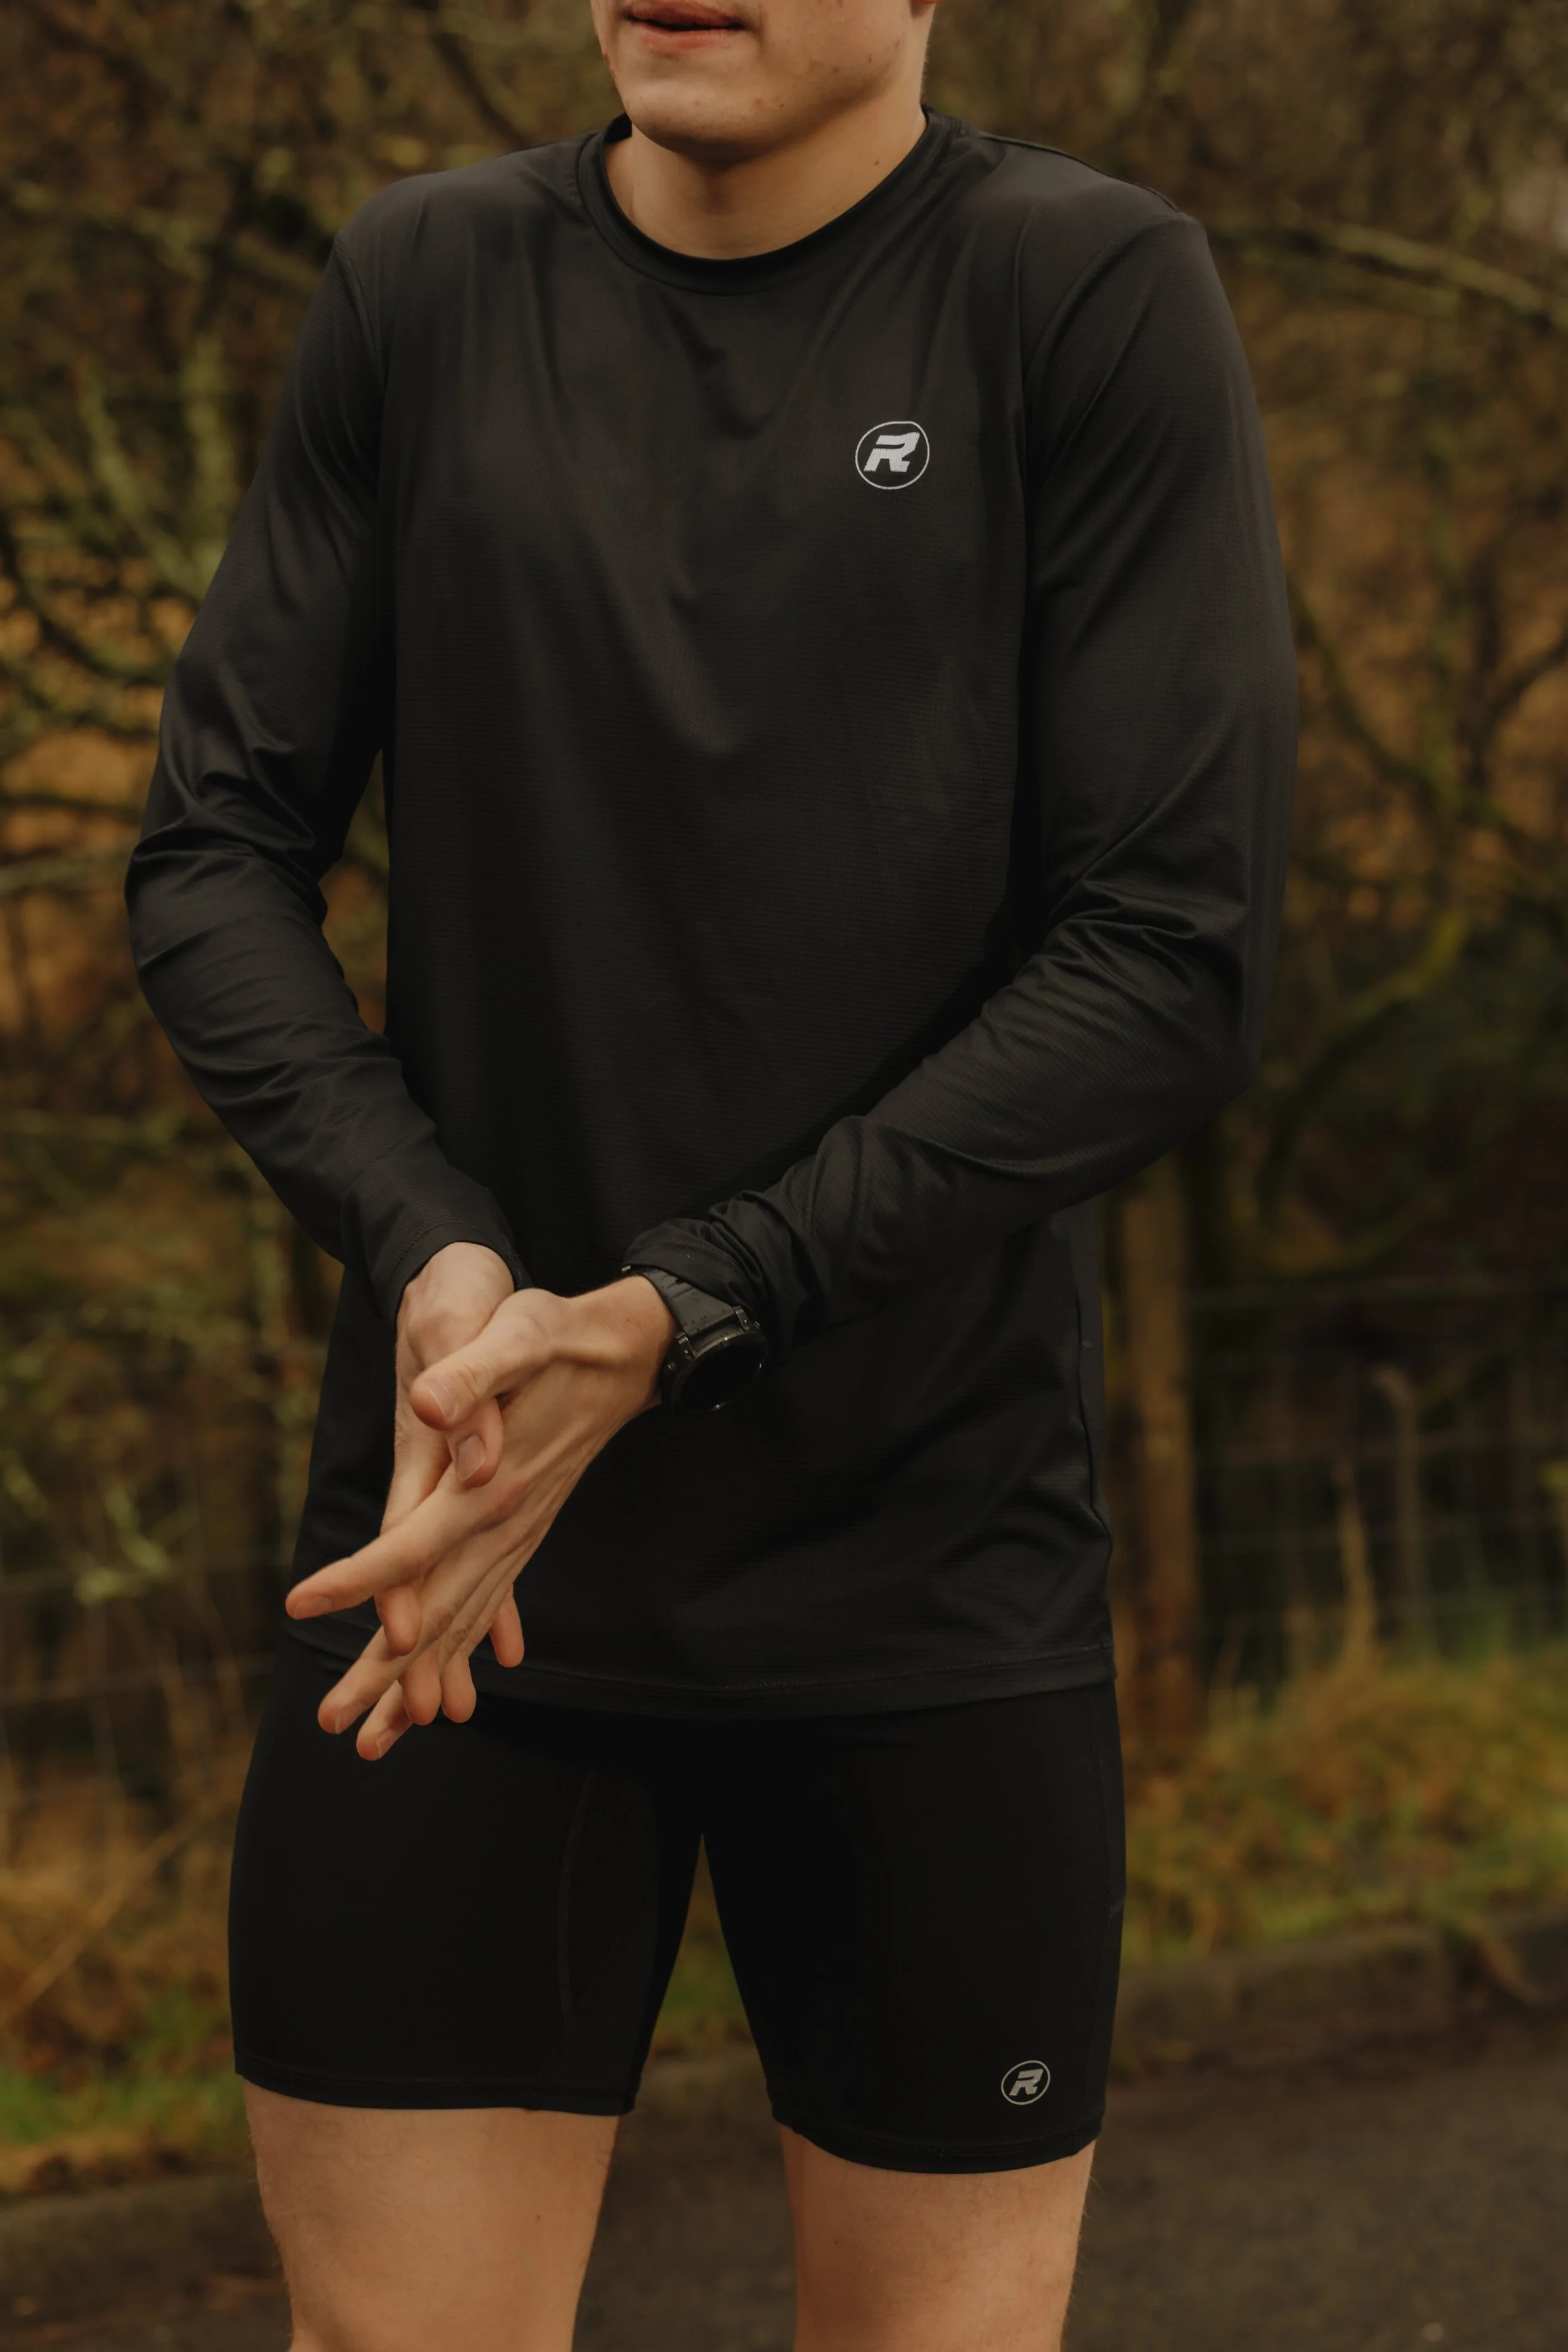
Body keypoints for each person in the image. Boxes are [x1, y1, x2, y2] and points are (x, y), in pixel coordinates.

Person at [126, 0, 1296, 2341]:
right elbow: (213, 856)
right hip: (459, 1573)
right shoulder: (424, 283)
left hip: (919, 1589)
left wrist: (676, 1314)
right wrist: (437, 1245)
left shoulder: (1083, 294)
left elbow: (1168, 954)